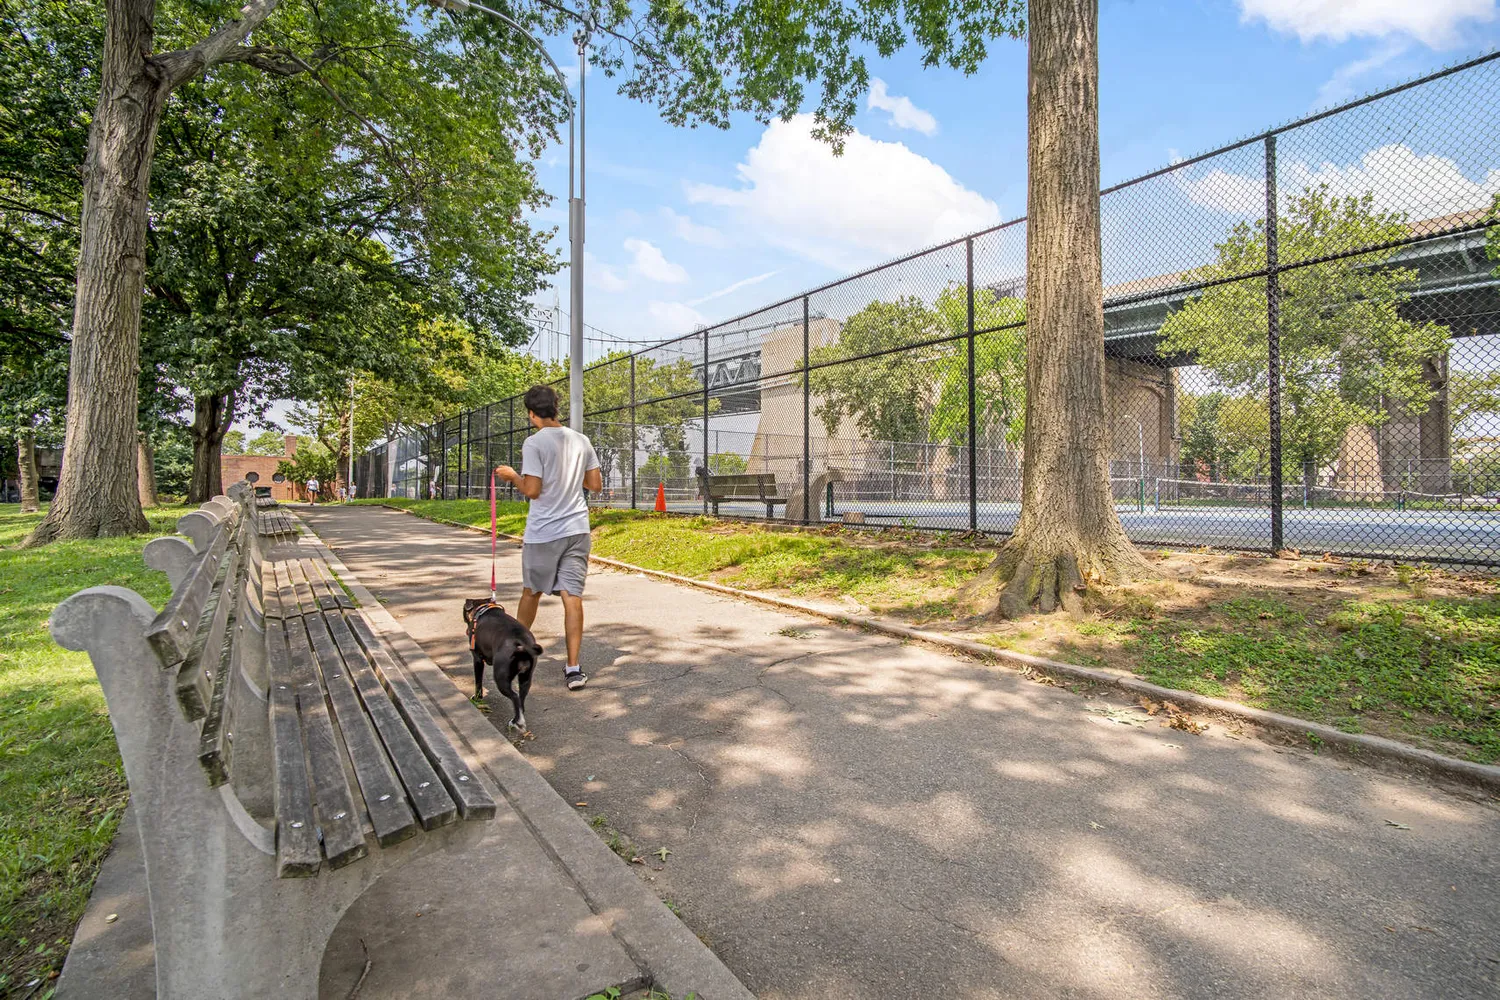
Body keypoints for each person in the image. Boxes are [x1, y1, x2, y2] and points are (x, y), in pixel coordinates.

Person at [495, 385, 601, 691]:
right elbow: (594, 485)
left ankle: (514, 651)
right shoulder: (581, 440)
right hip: (577, 530)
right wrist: (569, 472)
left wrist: (512, 476)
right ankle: (573, 669)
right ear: (556, 409)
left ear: (531, 414)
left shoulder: (534, 443)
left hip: (544, 533)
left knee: (531, 592)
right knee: (573, 597)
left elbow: (532, 490)